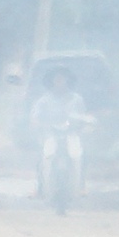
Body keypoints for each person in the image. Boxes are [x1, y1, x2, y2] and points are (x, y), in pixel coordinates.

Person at [28, 67, 89, 207]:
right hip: (51, 134)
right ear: (52, 81)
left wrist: (84, 125)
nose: (60, 82)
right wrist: (38, 124)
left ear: (68, 80)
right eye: (57, 79)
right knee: (47, 157)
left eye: (63, 78)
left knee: (77, 156)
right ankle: (43, 189)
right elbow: (35, 117)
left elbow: (83, 117)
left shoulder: (76, 99)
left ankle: (79, 188)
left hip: (71, 133)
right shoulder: (44, 100)